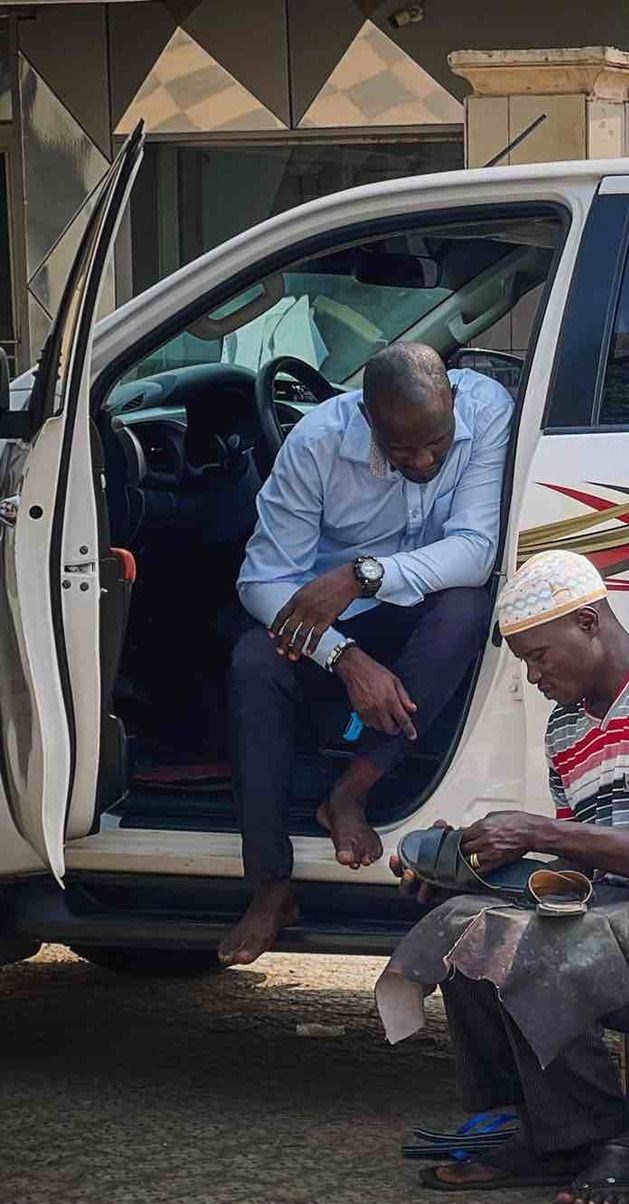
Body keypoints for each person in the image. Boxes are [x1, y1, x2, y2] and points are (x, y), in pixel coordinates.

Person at [379, 549, 629, 1204]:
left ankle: (615, 1144)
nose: (533, 677)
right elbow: (584, 876)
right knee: (466, 925)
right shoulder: (567, 728)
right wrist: (469, 863)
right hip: (614, 920)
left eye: (538, 656)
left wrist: (540, 831)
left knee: (543, 948)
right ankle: (537, 1129)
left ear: (588, 622)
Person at [218, 342, 510, 966]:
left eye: (437, 443)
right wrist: (344, 658)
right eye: (401, 449)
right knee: (254, 663)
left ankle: (351, 791)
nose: (424, 460)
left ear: (453, 400)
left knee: (467, 608)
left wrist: (362, 575)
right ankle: (269, 885)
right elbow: (262, 581)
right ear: (366, 416)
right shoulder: (317, 444)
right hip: (328, 622)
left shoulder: (485, 410)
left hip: (411, 604)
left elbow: (475, 550)